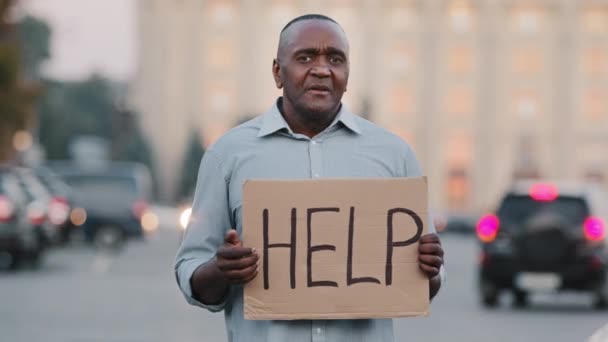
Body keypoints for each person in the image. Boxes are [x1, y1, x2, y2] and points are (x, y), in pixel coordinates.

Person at [175, 14, 445, 342]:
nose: (321, 69)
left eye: (335, 58)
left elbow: (426, 284)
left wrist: (429, 269)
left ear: (347, 74)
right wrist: (222, 271)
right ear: (278, 72)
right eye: (305, 57)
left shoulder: (394, 155)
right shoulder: (228, 155)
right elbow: (191, 269)